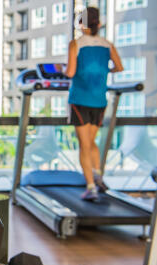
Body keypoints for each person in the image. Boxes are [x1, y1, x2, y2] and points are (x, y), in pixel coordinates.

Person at [65, 7, 124, 202]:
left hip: (80, 99)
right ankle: (98, 175)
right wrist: (103, 71)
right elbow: (119, 67)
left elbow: (71, 72)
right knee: (92, 142)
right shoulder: (107, 45)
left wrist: (62, 70)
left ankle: (91, 186)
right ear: (98, 24)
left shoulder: (76, 44)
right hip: (99, 100)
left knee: (84, 144)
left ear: (81, 25)